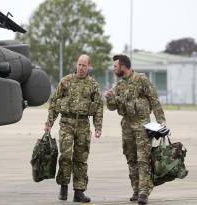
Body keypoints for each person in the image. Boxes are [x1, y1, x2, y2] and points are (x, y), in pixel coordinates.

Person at [105, 54, 166, 204]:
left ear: (123, 66)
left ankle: (144, 192)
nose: (114, 69)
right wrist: (109, 98)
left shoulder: (141, 79)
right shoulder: (118, 86)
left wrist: (161, 121)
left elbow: (154, 99)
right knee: (131, 158)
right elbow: (112, 107)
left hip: (142, 125)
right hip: (127, 126)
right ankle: (136, 190)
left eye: (115, 66)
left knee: (143, 158)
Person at [44, 54, 103, 202]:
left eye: (84, 65)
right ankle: (63, 187)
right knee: (65, 156)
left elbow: (98, 108)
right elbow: (54, 103)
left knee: (81, 159)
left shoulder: (93, 84)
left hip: (83, 124)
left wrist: (98, 126)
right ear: (76, 65)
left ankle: (79, 191)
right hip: (66, 123)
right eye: (79, 65)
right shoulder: (66, 81)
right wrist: (49, 123)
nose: (81, 68)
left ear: (89, 67)